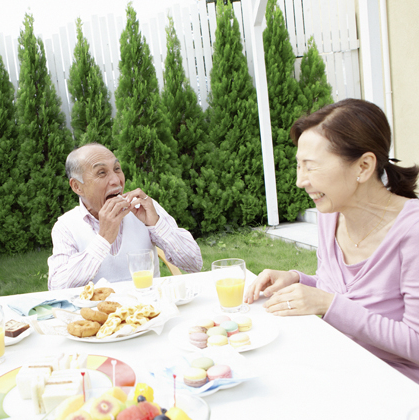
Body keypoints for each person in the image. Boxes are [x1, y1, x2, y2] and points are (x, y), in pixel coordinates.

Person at [245, 98, 419, 383]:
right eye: (298, 166)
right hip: (334, 363)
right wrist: (297, 279)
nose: (301, 180)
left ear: (363, 166)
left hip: (394, 388)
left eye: (311, 167)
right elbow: (341, 291)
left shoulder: (413, 231)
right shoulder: (330, 214)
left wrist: (327, 304)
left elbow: (415, 344)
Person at [48, 143, 202, 290]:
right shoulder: (65, 226)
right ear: (77, 186)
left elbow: (194, 264)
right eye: (101, 172)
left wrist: (156, 225)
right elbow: (57, 288)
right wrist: (103, 239)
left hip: (149, 311)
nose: (116, 181)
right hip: (99, 315)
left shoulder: (144, 207)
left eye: (117, 169)